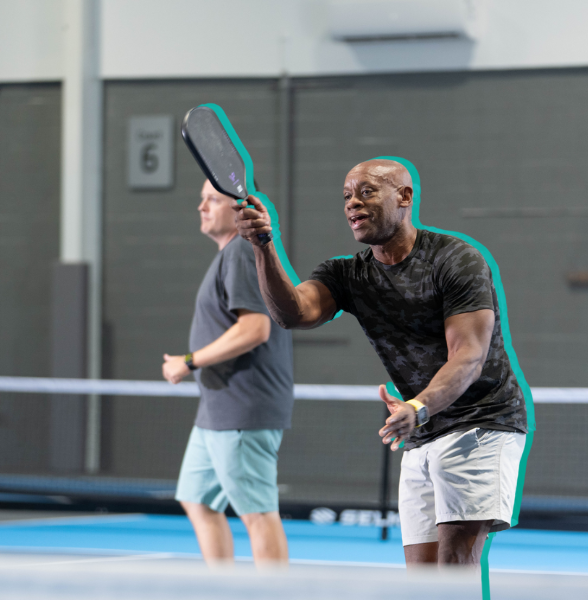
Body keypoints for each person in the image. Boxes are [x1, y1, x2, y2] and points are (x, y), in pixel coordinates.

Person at [232, 159, 528, 568]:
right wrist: (262, 244)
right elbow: (292, 314)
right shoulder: (347, 275)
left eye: (367, 191)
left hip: (480, 423)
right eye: (347, 196)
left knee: (454, 564)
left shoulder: (455, 259)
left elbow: (470, 356)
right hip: (422, 432)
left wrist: (418, 406)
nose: (353, 203)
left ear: (404, 197)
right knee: (421, 577)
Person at [162, 179, 294, 566]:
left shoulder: (241, 252)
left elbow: (256, 329)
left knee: (257, 514)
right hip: (216, 412)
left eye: (212, 200)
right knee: (197, 498)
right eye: (201, 198)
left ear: (239, 212)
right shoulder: (229, 256)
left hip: (242, 411)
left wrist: (189, 361)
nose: (201, 207)